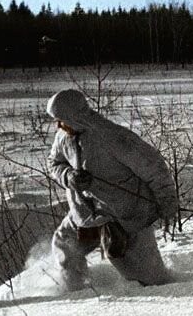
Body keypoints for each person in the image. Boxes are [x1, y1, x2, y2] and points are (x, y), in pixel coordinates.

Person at [46, 89, 177, 291]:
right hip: (85, 215)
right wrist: (69, 177)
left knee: (150, 281)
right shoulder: (63, 136)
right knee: (65, 244)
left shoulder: (112, 136)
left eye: (61, 119)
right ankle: (75, 293)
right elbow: (54, 163)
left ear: (74, 116)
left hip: (127, 217)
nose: (58, 125)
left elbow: (154, 166)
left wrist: (167, 202)